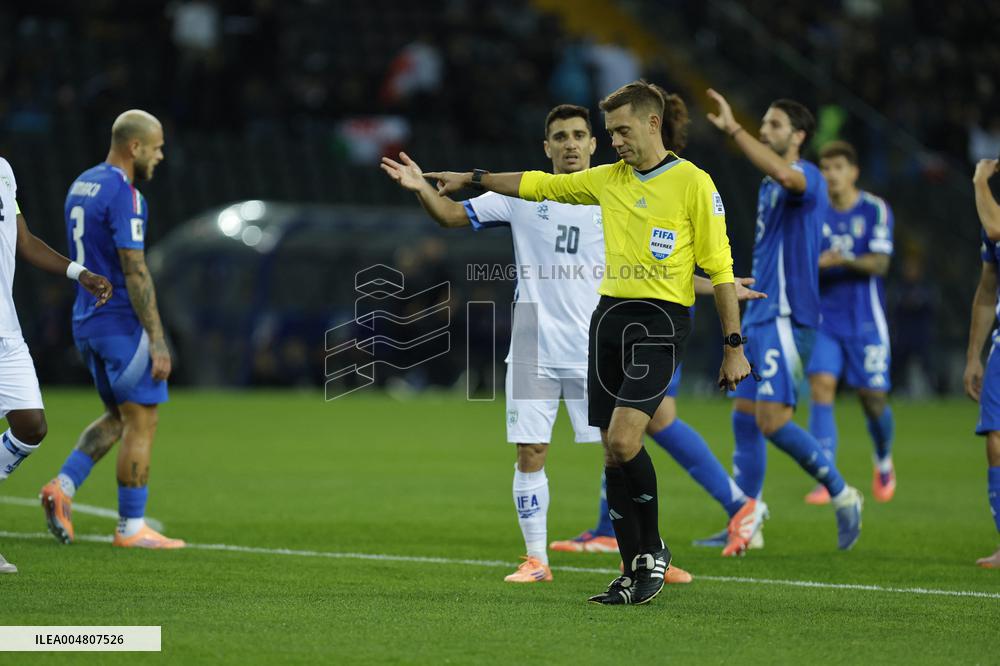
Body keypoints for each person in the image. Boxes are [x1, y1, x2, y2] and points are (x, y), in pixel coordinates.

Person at [383, 104, 764, 586]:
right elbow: (451, 215)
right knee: (531, 451)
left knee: (621, 448)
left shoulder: (616, 194)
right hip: (532, 340)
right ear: (547, 147)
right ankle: (536, 559)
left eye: (579, 135)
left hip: (597, 340)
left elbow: (657, 270)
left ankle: (643, 556)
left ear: (592, 144)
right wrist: (421, 189)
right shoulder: (519, 194)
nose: (569, 143)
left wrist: (719, 285)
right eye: (559, 136)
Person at [698, 90, 864, 552]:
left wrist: (735, 129)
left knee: (772, 420)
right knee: (745, 418)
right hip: (761, 313)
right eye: (763, 124)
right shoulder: (770, 186)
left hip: (790, 319)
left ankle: (843, 492)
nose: (765, 131)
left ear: (798, 136)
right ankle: (747, 522)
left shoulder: (805, 177)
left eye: (774, 125)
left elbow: (781, 171)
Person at [40, 109, 184, 549]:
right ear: (134, 146)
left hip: (85, 320)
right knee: (143, 420)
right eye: (156, 147)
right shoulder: (126, 195)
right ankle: (131, 528)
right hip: (121, 324)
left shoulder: (81, 184)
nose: (160, 156)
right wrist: (158, 339)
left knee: (119, 417)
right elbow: (135, 270)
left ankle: (61, 488)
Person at [0, 157, 112, 573]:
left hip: (6, 332)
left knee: (31, 426)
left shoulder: (4, 170)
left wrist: (79, 273)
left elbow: (23, 240)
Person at [803, 141, 896, 505]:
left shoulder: (874, 209)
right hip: (825, 319)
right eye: (825, 169)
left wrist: (840, 260)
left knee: (872, 399)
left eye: (838, 167)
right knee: (821, 387)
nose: (831, 175)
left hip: (865, 321)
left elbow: (881, 264)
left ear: (853, 172)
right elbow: (803, 262)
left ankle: (883, 458)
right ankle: (826, 477)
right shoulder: (815, 211)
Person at [963, 156, 1000, 569]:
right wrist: (974, 355)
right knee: (995, 440)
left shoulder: (991, 215)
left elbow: (994, 226)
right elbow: (988, 292)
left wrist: (979, 181)